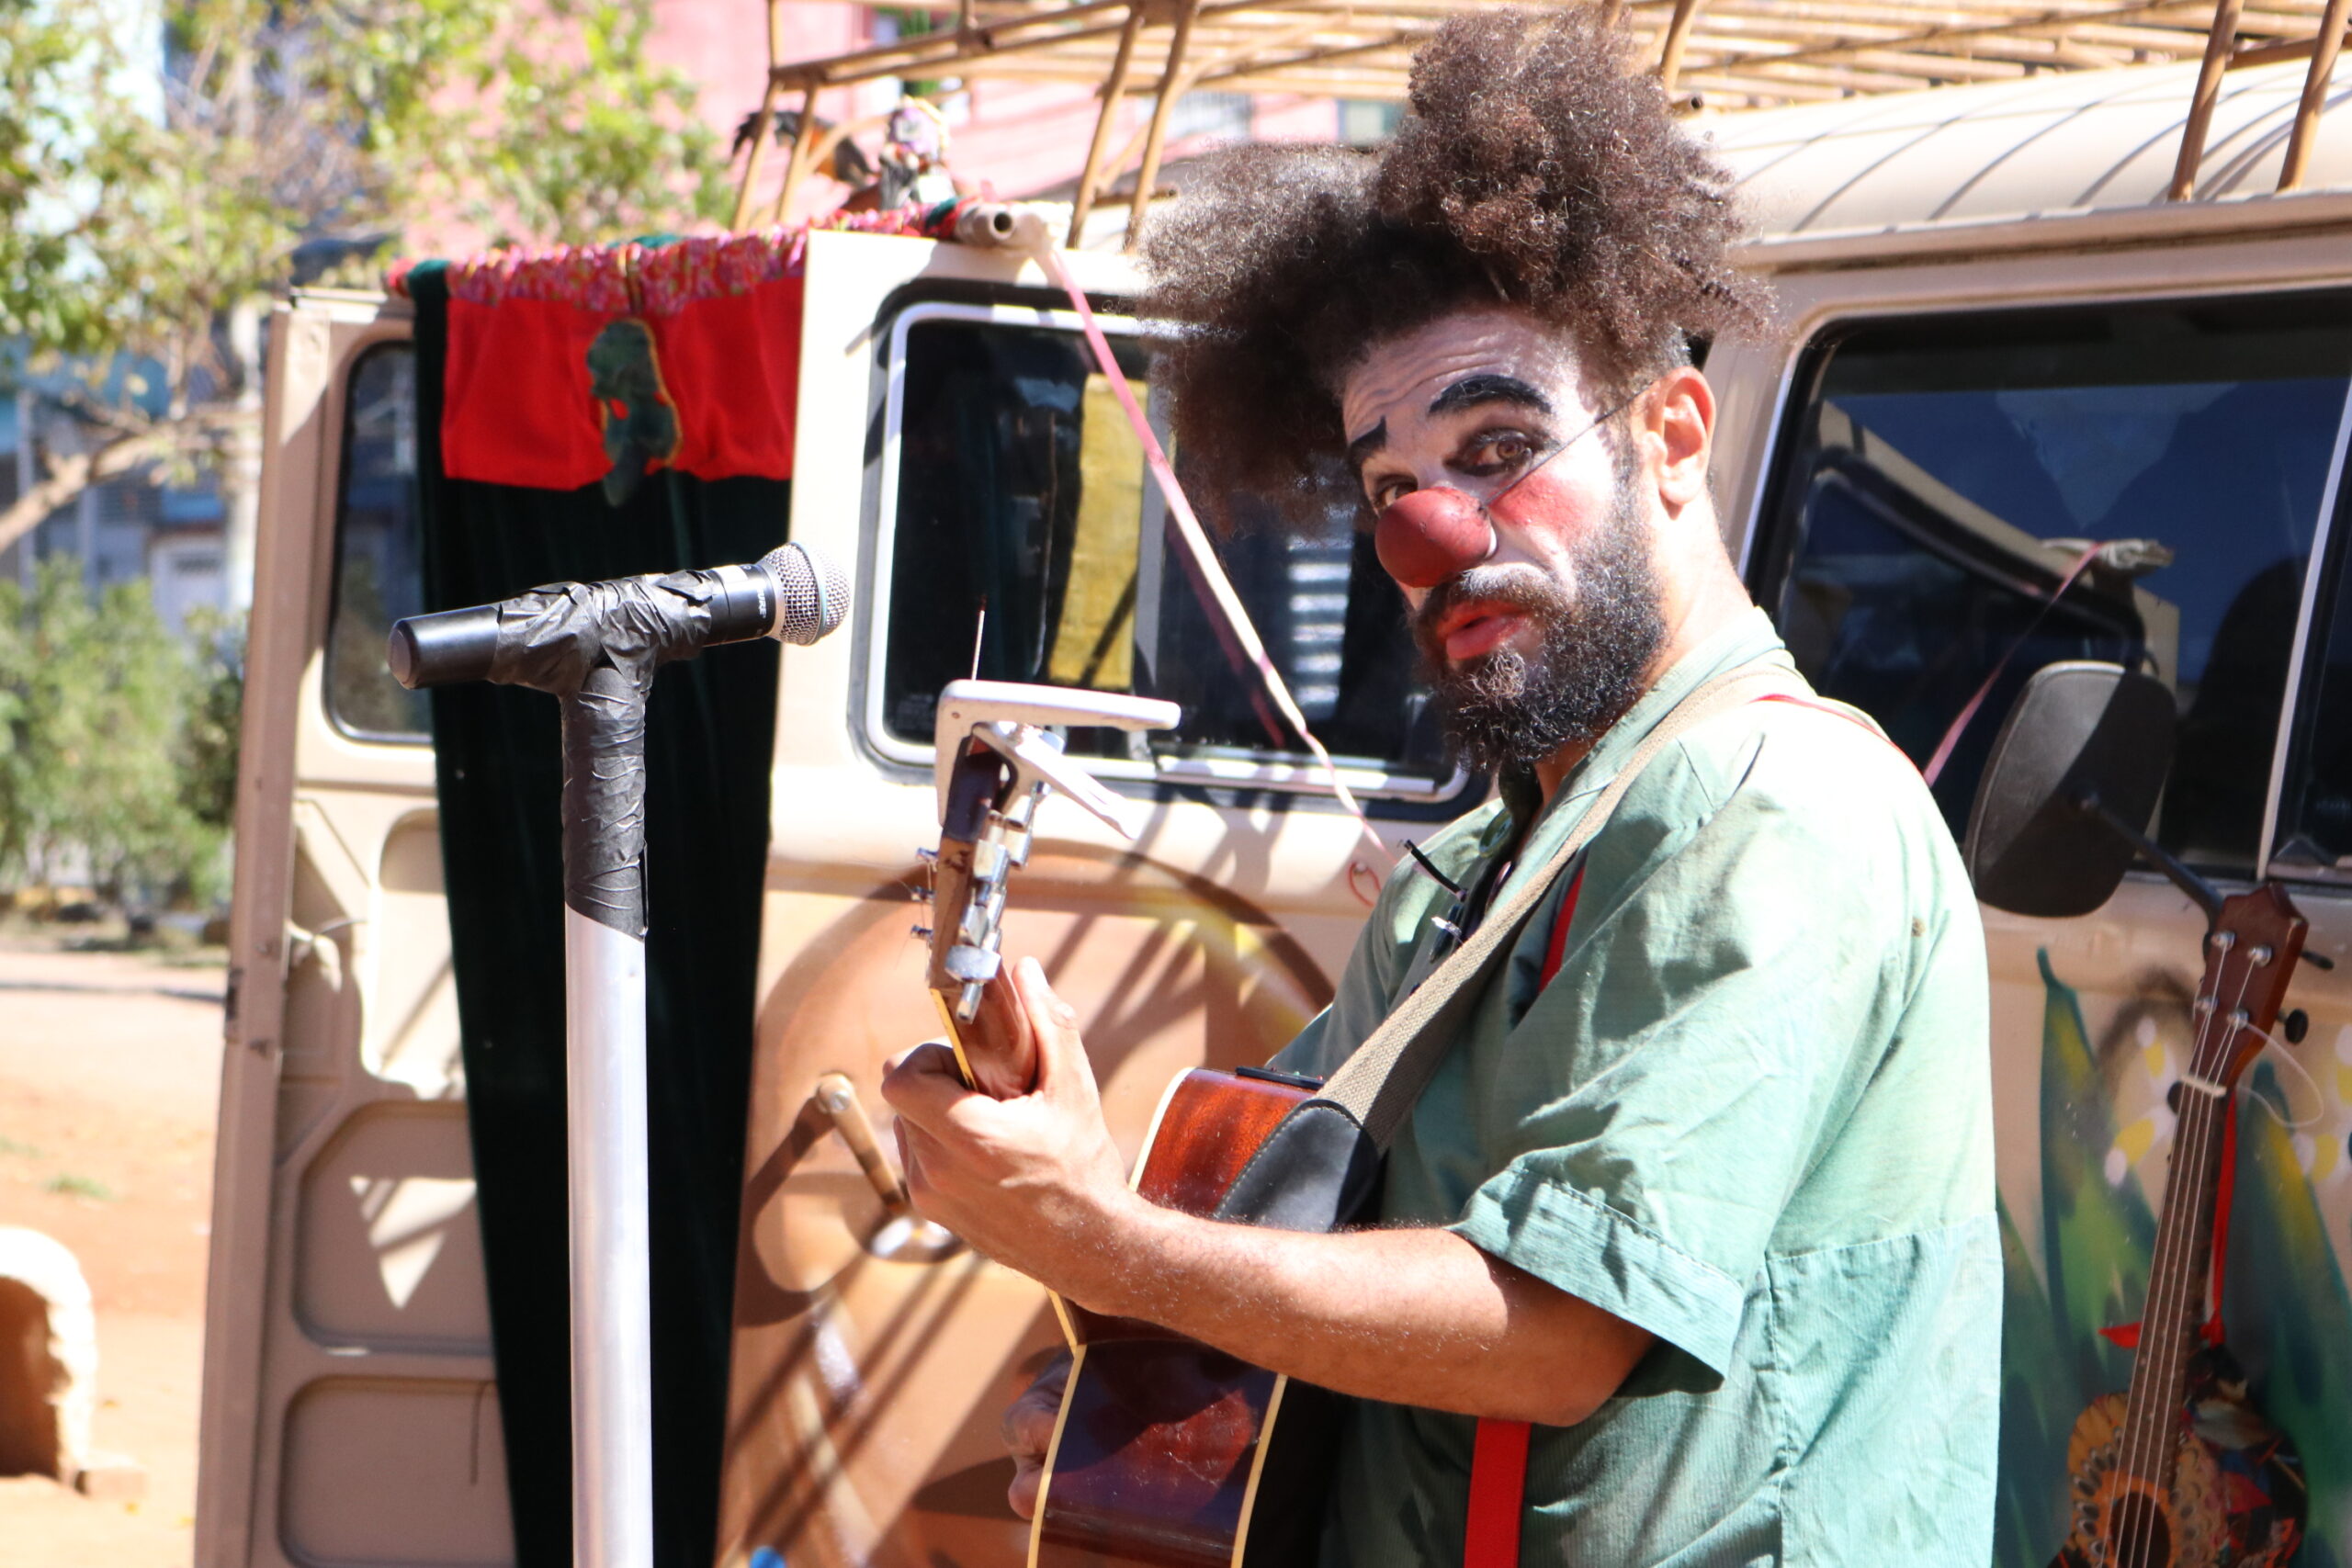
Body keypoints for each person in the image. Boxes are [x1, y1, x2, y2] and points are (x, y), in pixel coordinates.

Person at [879, 9, 1998, 1562]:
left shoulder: (1771, 806)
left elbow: (1551, 1334)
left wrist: (1108, 1244)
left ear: (1674, 437)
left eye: (1497, 446)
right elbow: (1295, 1244)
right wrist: (1127, 1335)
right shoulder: (1482, 862)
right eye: (1391, 484)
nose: (1432, 535)